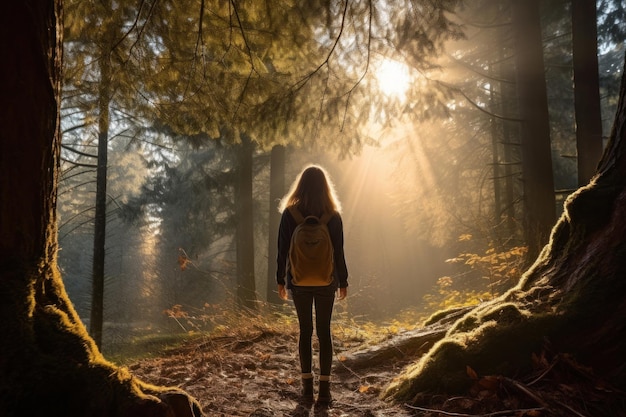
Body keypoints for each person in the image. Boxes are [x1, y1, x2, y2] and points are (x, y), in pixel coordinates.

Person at [276, 165, 348, 404]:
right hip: (327, 281)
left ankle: (307, 390)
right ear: (325, 187)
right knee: (324, 332)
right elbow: (338, 252)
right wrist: (343, 281)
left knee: (305, 332)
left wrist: (281, 280)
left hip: (299, 281)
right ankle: (325, 391)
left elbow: (283, 250)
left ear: (301, 185)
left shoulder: (290, 214)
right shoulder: (332, 215)